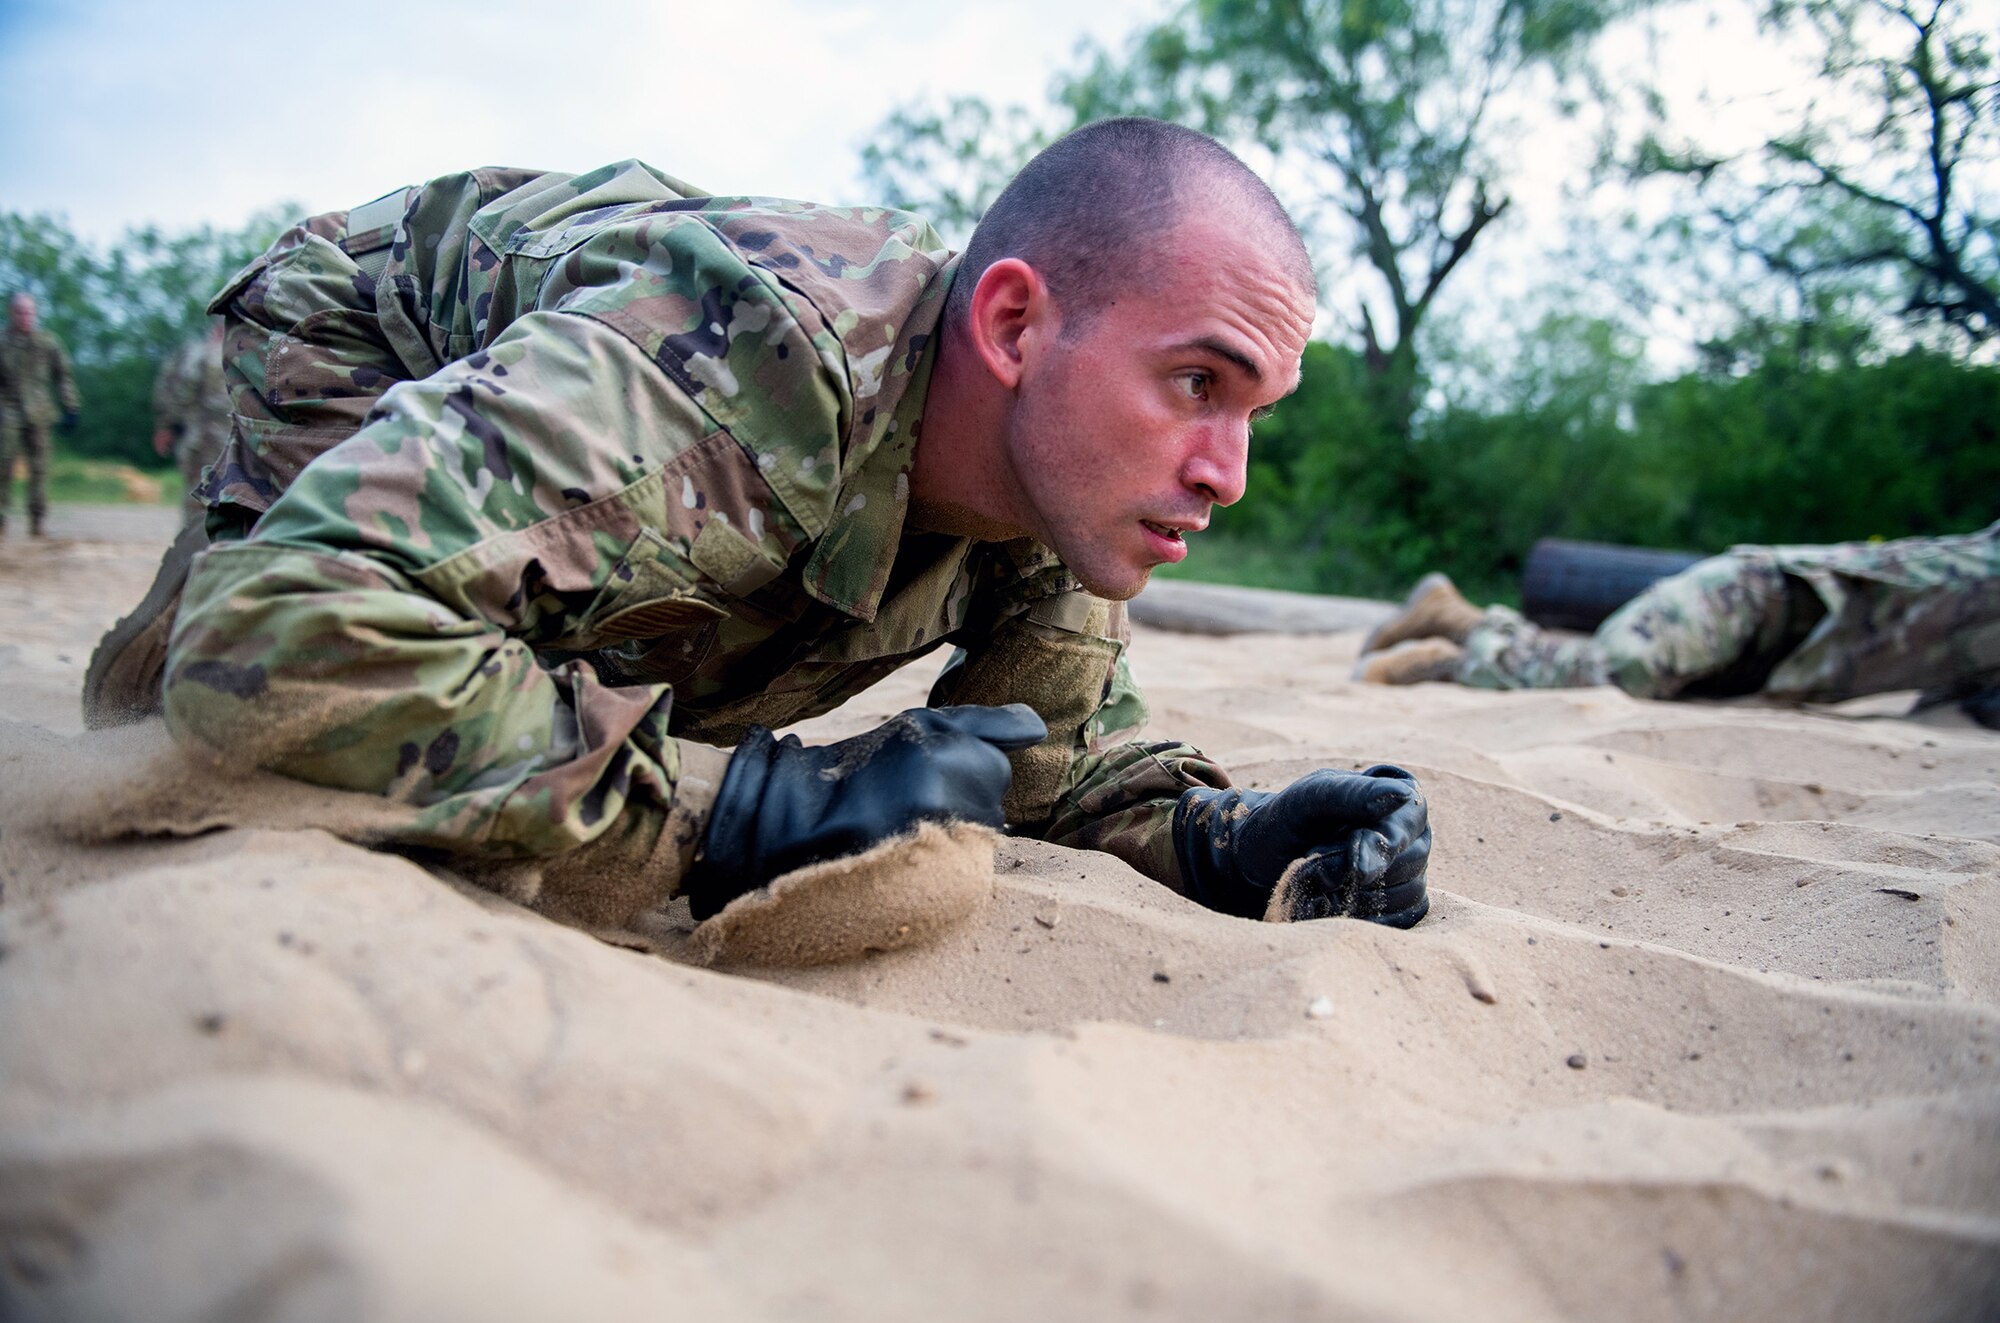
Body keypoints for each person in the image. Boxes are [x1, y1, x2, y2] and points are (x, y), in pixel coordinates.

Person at [90, 119, 1433, 936]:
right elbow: (278, 635)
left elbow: (1060, 749)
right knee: (215, 719)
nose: (1230, 473)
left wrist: (1229, 840)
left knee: (618, 667)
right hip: (371, 324)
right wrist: (728, 810)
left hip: (672, 450)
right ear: (1017, 327)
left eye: (1256, 408)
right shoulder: (733, 376)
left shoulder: (1062, 483)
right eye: (1199, 383)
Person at [1355, 525, 2000, 725]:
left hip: (1777, 663)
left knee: (1625, 675)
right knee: (1614, 674)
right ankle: (1450, 644)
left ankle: (1457, 622)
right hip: (1752, 600)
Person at [0, 292, 81, 539]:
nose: (26, 317)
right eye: (21, 312)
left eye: (30, 312)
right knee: (3, 466)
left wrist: (71, 406)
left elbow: (63, 376)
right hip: (8, 412)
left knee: (40, 469)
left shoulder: (47, 343)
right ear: (12, 313)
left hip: (40, 412)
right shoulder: (3, 343)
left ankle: (37, 521)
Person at [151, 320, 230, 527]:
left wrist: (168, 426)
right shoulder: (251, 356)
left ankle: (193, 551)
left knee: (197, 499)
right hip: (240, 443)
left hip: (202, 440)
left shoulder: (200, 355)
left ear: (216, 329)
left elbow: (182, 392)